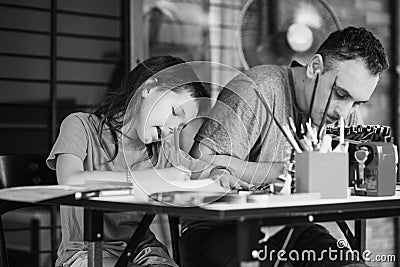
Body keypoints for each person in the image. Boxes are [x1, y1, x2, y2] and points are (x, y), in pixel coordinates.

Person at [181, 27, 389, 266]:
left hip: (293, 226)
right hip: (220, 230)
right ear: (314, 68)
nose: (344, 112)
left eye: (357, 103)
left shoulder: (344, 114)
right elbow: (197, 168)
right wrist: (291, 170)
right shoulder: (255, 91)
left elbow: (356, 172)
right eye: (340, 94)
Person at [46, 55, 210, 267]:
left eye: (181, 126)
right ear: (149, 87)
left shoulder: (164, 149)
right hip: (86, 254)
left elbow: (209, 173)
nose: (173, 128)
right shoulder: (80, 126)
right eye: (175, 112)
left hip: (145, 252)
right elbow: (69, 181)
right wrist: (150, 179)